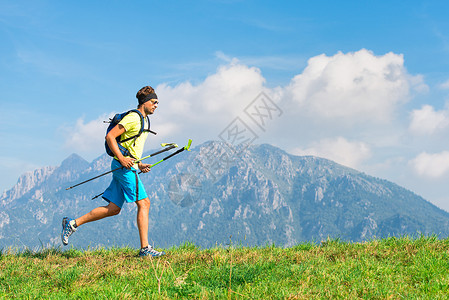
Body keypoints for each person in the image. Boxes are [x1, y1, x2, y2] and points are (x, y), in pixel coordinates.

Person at [61, 85, 165, 257]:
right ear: (145, 102)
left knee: (114, 208)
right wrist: (123, 159)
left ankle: (72, 224)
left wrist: (138, 164)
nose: (156, 105)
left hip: (125, 165)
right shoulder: (134, 118)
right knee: (144, 203)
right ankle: (145, 249)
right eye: (154, 102)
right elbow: (110, 137)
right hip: (122, 166)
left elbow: (130, 146)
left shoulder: (145, 120)